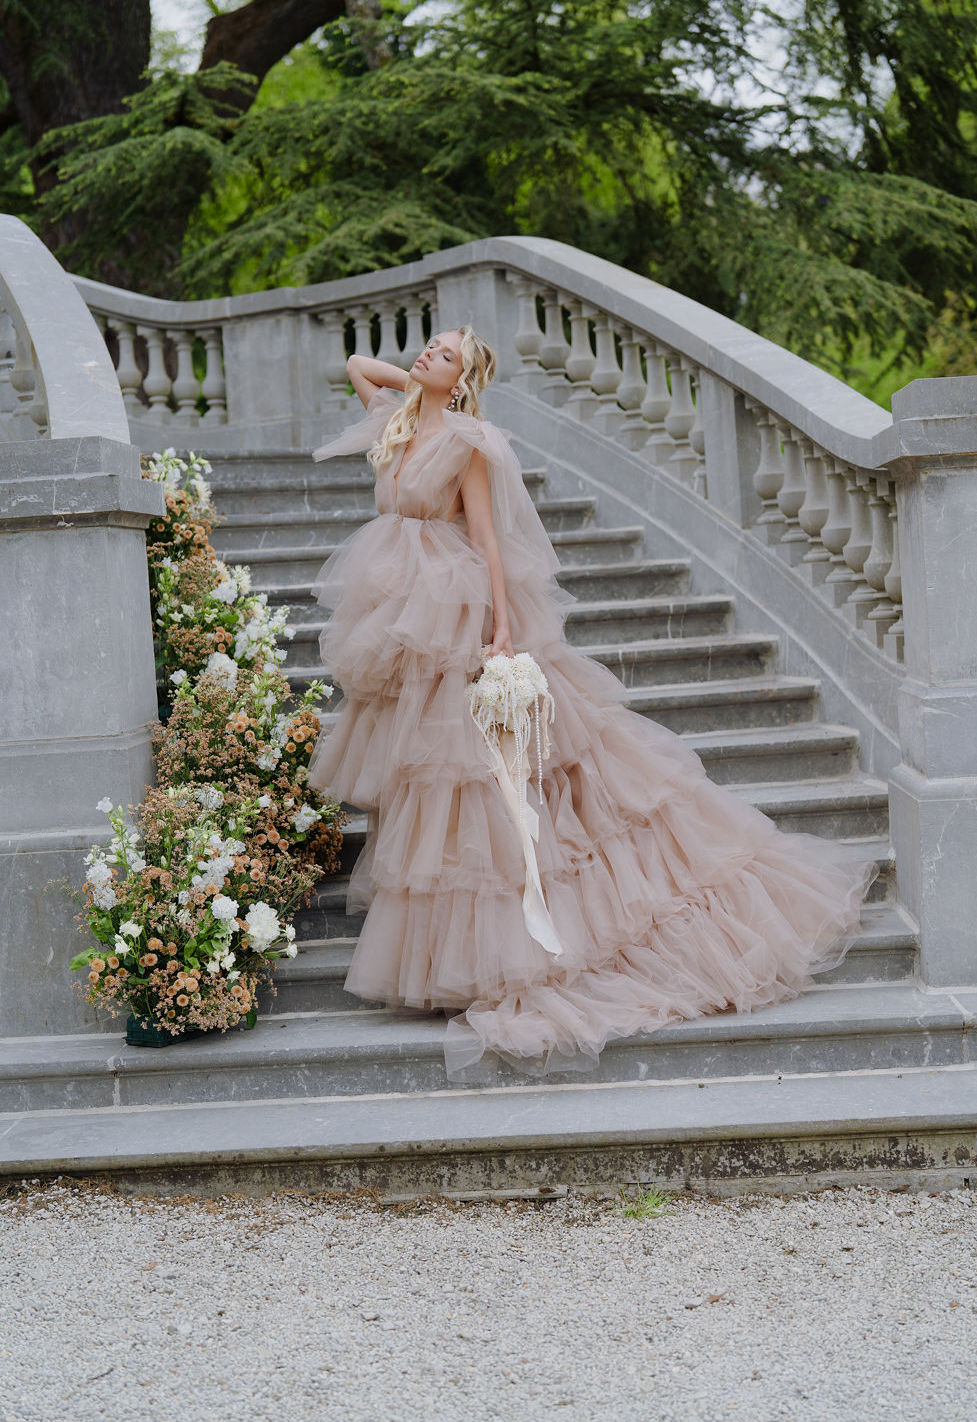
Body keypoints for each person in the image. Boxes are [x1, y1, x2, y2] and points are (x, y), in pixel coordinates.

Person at [308, 325, 876, 1077]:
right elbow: (356, 363)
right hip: (400, 618)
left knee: (477, 782)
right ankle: (454, 953)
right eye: (428, 347)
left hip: (455, 615)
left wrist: (503, 632)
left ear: (468, 380)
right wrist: (425, 380)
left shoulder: (470, 444)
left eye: (443, 354)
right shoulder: (400, 416)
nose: (424, 356)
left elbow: (490, 541)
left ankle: (508, 950)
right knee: (425, 781)